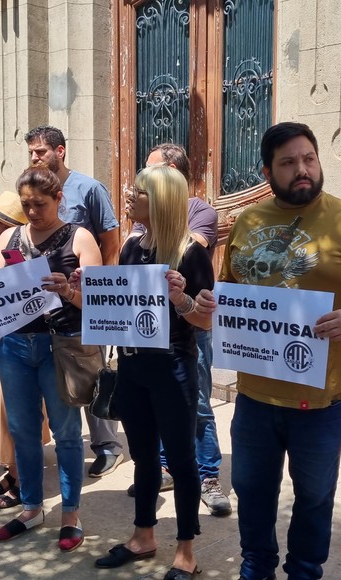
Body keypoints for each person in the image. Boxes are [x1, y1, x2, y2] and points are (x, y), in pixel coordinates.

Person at [195, 122, 341, 580]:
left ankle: (306, 571)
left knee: (313, 497)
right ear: (269, 171)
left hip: (320, 399)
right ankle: (256, 568)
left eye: (308, 158)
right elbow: (229, 292)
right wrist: (210, 302)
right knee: (251, 491)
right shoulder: (248, 222)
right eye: (288, 163)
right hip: (254, 396)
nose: (302, 169)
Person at [88, 165, 213, 579]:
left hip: (173, 368)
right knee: (143, 458)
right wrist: (79, 291)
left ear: (158, 200)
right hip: (133, 366)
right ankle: (143, 536)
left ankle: (186, 549)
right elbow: (119, 309)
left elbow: (206, 322)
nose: (128, 196)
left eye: (136, 191)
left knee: (180, 460)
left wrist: (180, 299)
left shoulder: (191, 252)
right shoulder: (131, 246)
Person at [0, 167, 102, 551]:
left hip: (63, 345)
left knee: (67, 432)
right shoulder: (9, 235)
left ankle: (70, 513)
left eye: (40, 203)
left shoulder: (80, 237)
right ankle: (32, 507)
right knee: (22, 430)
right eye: (26, 204)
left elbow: (99, 304)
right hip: (16, 345)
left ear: (58, 200)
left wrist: (69, 292)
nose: (33, 211)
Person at [125, 143, 230, 517]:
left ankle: (208, 476)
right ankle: (162, 470)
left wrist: (180, 299)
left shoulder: (201, 217)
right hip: (143, 350)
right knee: (155, 416)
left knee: (198, 406)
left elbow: (192, 254)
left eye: (142, 184)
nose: (130, 194)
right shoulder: (136, 237)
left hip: (184, 343)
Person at [25, 125, 124, 477]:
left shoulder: (89, 188)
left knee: (92, 373)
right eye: (31, 153)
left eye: (41, 151)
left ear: (60, 151)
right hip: (46, 308)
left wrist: (97, 289)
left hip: (84, 299)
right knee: (65, 381)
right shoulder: (33, 189)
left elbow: (111, 240)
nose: (35, 157)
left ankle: (108, 446)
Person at [0, 191, 48, 509]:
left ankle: (20, 479)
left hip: (19, 345)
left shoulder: (21, 254)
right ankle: (13, 471)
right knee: (5, 415)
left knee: (14, 416)